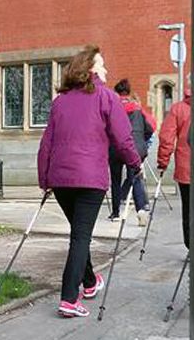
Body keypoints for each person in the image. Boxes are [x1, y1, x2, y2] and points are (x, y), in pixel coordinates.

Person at [38, 45, 141, 319]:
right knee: (80, 237)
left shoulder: (59, 102)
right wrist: (135, 163)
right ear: (91, 69)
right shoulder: (107, 98)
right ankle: (69, 298)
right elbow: (123, 137)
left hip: (60, 180)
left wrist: (45, 179)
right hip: (89, 180)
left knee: (78, 234)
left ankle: (90, 282)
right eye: (102, 64)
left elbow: (46, 143)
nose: (106, 69)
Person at [110, 79, 153, 225]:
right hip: (134, 148)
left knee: (115, 181)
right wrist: (142, 141)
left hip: (116, 148)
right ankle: (141, 210)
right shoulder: (137, 108)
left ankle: (115, 213)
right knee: (135, 178)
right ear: (128, 92)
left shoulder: (113, 106)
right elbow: (150, 128)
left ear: (117, 92)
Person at [156, 88, 193, 251]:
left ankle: (191, 245)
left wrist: (163, 162)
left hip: (186, 169)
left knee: (188, 209)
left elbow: (167, 136)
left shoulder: (178, 108)